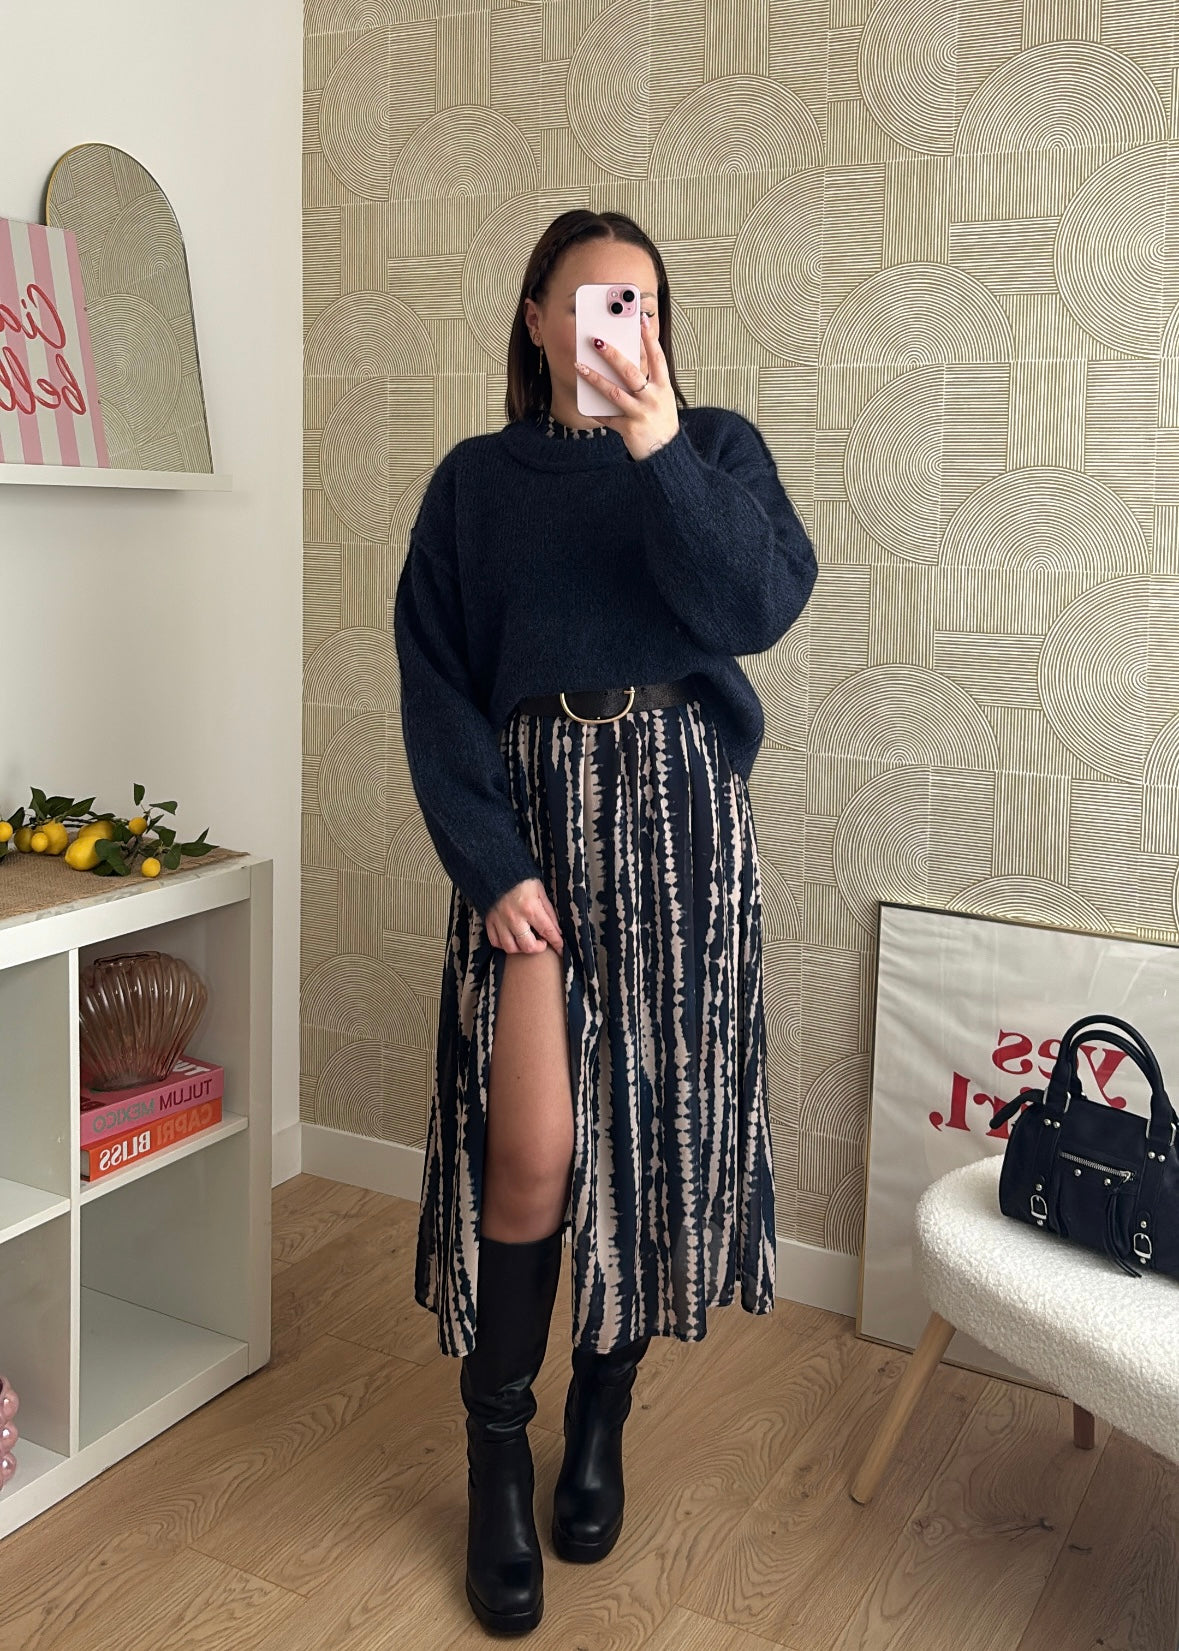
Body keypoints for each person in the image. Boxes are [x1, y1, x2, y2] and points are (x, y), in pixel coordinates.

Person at [393, 208, 818, 1636]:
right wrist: (487, 862)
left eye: (639, 303)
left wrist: (657, 446)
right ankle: (496, 1458)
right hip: (530, 834)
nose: (615, 326)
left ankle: (599, 1421)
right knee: (530, 1153)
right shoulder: (474, 484)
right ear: (536, 319)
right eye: (589, 301)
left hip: (683, 826)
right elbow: (435, 681)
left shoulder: (714, 452)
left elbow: (755, 603)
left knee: (646, 1140)